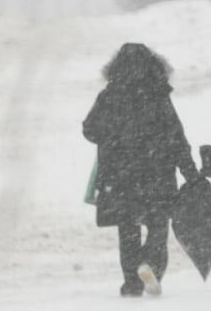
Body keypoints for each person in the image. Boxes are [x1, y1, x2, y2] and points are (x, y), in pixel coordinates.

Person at [82, 43, 199, 298]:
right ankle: (150, 264)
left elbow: (89, 129)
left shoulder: (109, 96)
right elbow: (176, 136)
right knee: (158, 226)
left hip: (120, 175)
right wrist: (189, 170)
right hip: (157, 173)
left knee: (128, 230)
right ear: (152, 65)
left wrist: (113, 137)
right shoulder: (158, 95)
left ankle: (131, 283)